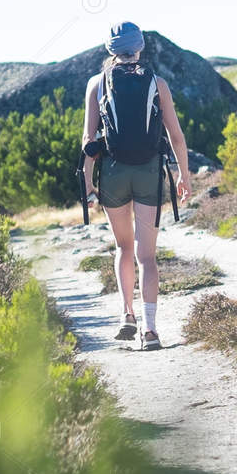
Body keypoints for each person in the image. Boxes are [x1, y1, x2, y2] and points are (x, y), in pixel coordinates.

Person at [82, 21, 191, 349]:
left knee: (123, 248)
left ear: (109, 49)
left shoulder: (96, 84)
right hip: (149, 172)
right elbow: (175, 135)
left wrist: (88, 185)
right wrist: (183, 174)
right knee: (147, 256)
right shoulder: (158, 83)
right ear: (140, 47)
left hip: (113, 173)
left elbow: (89, 140)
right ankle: (151, 330)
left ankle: (127, 314)